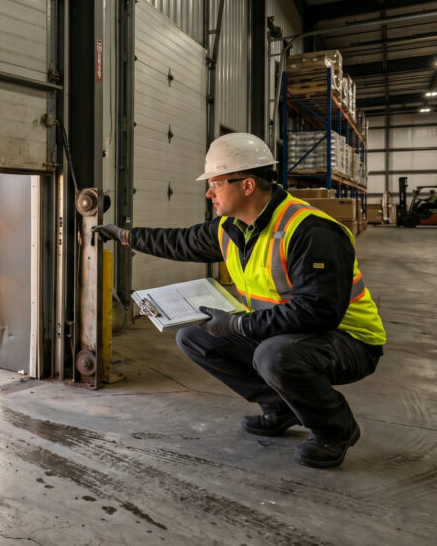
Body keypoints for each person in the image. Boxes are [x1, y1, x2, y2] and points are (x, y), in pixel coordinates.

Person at [97, 133, 385, 469]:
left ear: (247, 185)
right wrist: (124, 235)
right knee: (194, 337)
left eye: (216, 183)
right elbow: (178, 241)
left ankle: (336, 429)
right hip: (286, 332)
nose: (209, 193)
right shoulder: (231, 228)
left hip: (348, 342)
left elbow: (318, 313)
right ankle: (280, 408)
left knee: (274, 355)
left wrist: (238, 324)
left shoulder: (311, 232)